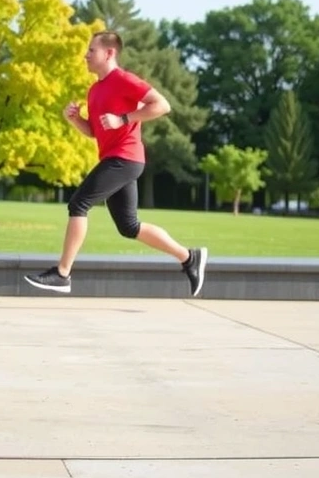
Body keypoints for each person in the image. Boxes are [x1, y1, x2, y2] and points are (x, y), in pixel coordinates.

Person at [24, 31, 208, 296]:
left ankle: (62, 273)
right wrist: (76, 120)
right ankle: (189, 258)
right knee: (128, 226)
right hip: (116, 157)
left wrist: (123, 118)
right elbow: (95, 132)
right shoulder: (95, 90)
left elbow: (162, 105)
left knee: (79, 203)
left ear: (109, 53)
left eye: (91, 50)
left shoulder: (123, 79)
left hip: (125, 157)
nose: (85, 55)